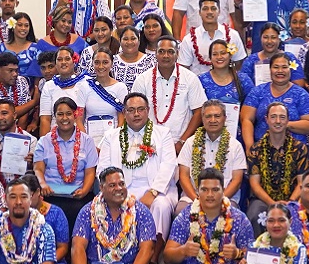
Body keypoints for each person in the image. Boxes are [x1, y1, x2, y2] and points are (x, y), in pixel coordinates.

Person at [159, 166, 254, 264]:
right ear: (198, 191)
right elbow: (167, 256)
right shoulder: (186, 217)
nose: (210, 194)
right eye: (204, 189)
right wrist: (183, 251)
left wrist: (237, 254)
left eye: (215, 190)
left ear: (223, 191)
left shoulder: (239, 219)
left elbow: (253, 260)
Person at [69, 166, 159, 264]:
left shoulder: (140, 211)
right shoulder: (88, 211)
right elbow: (77, 246)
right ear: (102, 188)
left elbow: (147, 249)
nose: (119, 188)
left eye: (121, 184)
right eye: (112, 185)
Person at [97, 93, 179, 240]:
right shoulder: (111, 136)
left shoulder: (163, 133)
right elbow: (103, 169)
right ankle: (119, 249)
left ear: (148, 110)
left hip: (156, 190)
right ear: (124, 113)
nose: (136, 114)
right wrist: (117, 191)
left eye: (141, 109)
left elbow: (169, 165)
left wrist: (153, 192)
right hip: (122, 189)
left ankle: (154, 253)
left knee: (161, 206)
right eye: (131, 110)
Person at [132, 36, 207, 152]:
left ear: (177, 54)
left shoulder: (190, 78)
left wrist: (182, 141)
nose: (165, 56)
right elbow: (134, 111)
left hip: (182, 144)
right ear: (155, 54)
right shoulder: (142, 79)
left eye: (170, 52)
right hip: (149, 143)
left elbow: (199, 111)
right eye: (161, 51)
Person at [33, 96, 98, 223]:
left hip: (78, 197)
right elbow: (38, 168)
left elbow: (90, 172)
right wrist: (43, 184)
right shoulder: (44, 141)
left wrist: (84, 191)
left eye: (68, 114)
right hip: (50, 197)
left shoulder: (87, 141)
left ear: (75, 115)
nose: (64, 118)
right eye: (60, 114)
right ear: (54, 117)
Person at [247, 103, 309, 229]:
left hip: (293, 200)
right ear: (266, 120)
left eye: (282, 117)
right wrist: (273, 204)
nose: (278, 121)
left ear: (288, 120)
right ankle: (258, 249)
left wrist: (289, 203)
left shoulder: (300, 148)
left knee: (301, 215)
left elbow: (302, 183)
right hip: (264, 200)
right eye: (273, 117)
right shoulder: (256, 149)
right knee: (255, 214)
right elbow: (255, 185)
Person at [241, 52, 309, 155]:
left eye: (284, 67)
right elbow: (246, 119)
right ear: (270, 70)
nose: (280, 71)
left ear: (290, 69)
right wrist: (250, 148)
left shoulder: (301, 94)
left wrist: (281, 124)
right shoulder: (257, 91)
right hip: (261, 152)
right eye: (276, 67)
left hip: (294, 154)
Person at [177, 99, 246, 210]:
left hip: (225, 198)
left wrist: (220, 200)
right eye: (208, 116)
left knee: (231, 213)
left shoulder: (235, 146)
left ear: (225, 118)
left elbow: (237, 181)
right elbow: (183, 177)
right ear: (202, 119)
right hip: (192, 197)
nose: (212, 120)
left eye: (217, 116)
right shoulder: (190, 143)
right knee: (181, 210)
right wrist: (197, 200)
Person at [180, 0, 246, 76]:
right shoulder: (189, 39)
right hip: (198, 85)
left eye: (213, 8)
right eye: (205, 9)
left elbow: (239, 62)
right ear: (199, 12)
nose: (209, 12)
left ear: (219, 12)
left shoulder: (232, 35)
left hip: (226, 84)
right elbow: (183, 68)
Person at [0, 99, 35, 183]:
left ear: (14, 115)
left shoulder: (30, 140)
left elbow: (36, 172)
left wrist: (31, 163)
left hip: (23, 189)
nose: (0, 118)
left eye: (4, 113)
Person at [241, 24, 301, 88]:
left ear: (280, 38)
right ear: (260, 38)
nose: (269, 41)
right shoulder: (251, 60)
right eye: (265, 37)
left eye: (273, 37)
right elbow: (243, 84)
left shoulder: (290, 58)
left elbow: (299, 84)